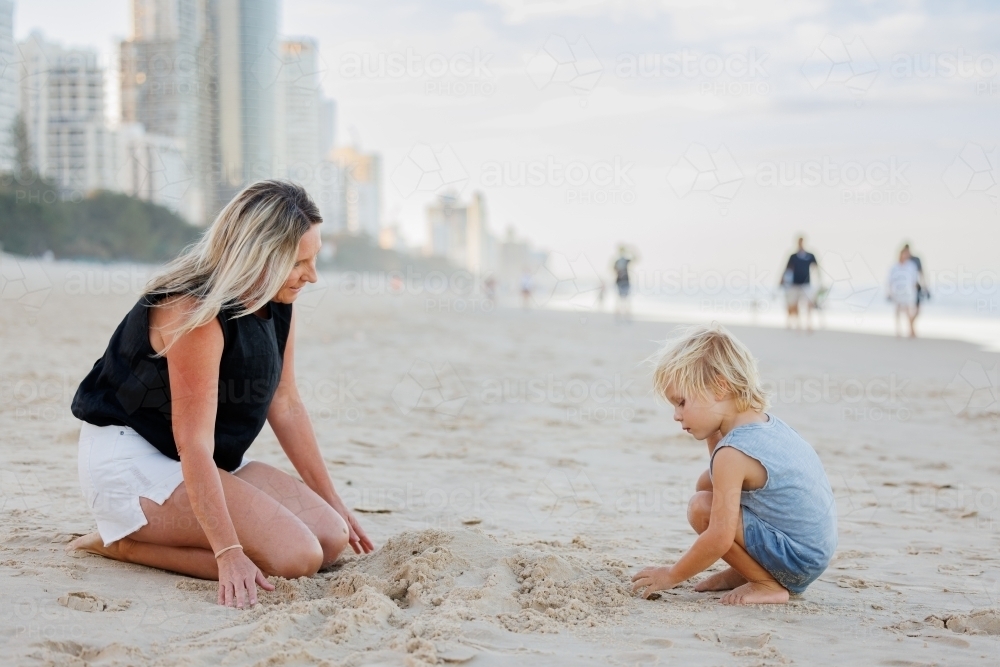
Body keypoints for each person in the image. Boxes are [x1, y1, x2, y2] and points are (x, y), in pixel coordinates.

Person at [68, 180, 374, 609]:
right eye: (298, 262)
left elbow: (284, 404)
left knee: (330, 536)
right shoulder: (194, 310)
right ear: (260, 255)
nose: (312, 275)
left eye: (314, 257)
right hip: (133, 460)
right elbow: (191, 439)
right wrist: (227, 553)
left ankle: (161, 535)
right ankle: (121, 544)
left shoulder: (277, 299)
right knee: (296, 557)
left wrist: (334, 501)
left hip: (202, 456)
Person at [631, 324, 837, 604]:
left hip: (797, 560)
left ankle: (766, 583)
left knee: (701, 508)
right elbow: (720, 478)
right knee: (708, 484)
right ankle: (745, 571)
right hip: (812, 552)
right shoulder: (763, 425)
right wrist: (710, 433)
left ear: (719, 386)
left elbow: (718, 535)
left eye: (681, 402)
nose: (676, 416)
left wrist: (671, 574)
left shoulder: (733, 452)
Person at [780, 237, 820, 332]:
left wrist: (820, 281)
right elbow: (787, 268)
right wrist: (782, 279)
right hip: (795, 284)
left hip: (806, 284)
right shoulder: (793, 256)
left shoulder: (810, 255)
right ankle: (798, 324)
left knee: (808, 304)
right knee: (794, 304)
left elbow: (816, 267)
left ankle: (809, 324)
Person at [889, 246, 920, 338]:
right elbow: (890, 279)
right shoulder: (895, 266)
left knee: (908, 310)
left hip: (908, 291)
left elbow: (914, 278)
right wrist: (890, 291)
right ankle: (898, 329)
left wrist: (914, 288)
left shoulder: (911, 266)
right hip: (897, 290)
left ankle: (909, 329)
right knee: (897, 309)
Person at [901, 243, 929, 315]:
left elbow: (921, 273)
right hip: (905, 288)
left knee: (917, 307)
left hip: (916, 285)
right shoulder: (902, 261)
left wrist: (925, 287)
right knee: (907, 308)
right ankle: (910, 325)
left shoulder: (916, 260)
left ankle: (911, 324)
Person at [613, 245, 637, 322]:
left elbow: (635, 259)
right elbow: (613, 269)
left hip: (625, 281)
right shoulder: (617, 261)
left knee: (626, 299)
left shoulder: (625, 260)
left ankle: (626, 316)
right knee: (620, 299)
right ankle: (619, 316)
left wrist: (632, 250)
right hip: (620, 281)